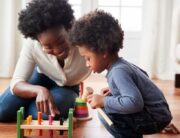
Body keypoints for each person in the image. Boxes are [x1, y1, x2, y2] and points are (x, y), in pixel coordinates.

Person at [69, 10, 172, 138]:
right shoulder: (122, 65)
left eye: (88, 58)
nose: (86, 64)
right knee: (110, 108)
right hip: (159, 113)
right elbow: (142, 78)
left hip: (154, 117)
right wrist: (115, 91)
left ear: (103, 52)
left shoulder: (118, 71)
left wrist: (105, 101)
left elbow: (135, 103)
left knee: (106, 113)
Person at [0, 0, 91, 122]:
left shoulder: (86, 38)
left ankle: (27, 105)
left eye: (61, 41)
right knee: (2, 112)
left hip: (67, 87)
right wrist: (39, 91)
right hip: (40, 78)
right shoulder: (32, 44)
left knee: (43, 115)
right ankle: (30, 101)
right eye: (48, 47)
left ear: (69, 28)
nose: (58, 50)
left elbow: (108, 60)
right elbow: (16, 83)